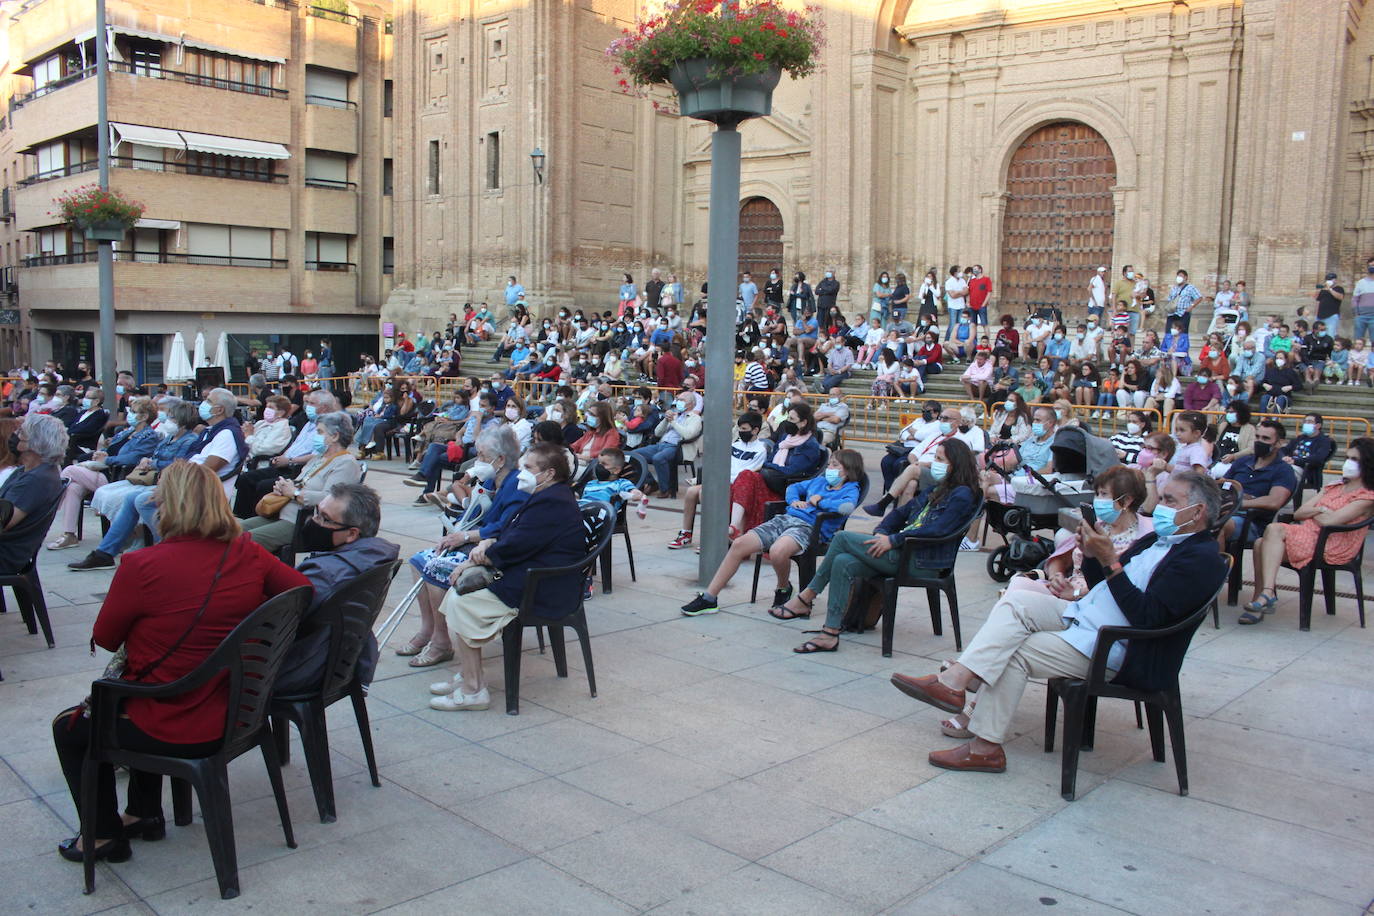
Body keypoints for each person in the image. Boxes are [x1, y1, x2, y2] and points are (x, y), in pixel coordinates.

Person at [50, 462, 310, 862]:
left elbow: (105, 639)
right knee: (145, 690)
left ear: (167, 505)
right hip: (236, 708)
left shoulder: (143, 565)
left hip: (179, 721)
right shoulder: (247, 552)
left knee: (73, 728)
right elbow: (300, 592)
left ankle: (102, 835)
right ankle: (142, 813)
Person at [891, 471, 1227, 774]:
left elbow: (1147, 617)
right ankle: (955, 681)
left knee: (1015, 651)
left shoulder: (1200, 559)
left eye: (1170, 500)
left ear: (1196, 512)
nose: (1161, 505)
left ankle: (985, 748)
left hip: (1119, 644)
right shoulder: (1159, 540)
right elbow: (1104, 584)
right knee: (1017, 601)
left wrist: (1110, 561)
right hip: (1088, 617)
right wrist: (1095, 558)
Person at [771, 439, 979, 652]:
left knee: (842, 538)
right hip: (903, 550)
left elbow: (938, 530)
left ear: (956, 464)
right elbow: (900, 513)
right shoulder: (938, 489)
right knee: (843, 561)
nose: (933, 462)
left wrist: (893, 540)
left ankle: (807, 597)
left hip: (920, 560)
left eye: (939, 459)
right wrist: (882, 532)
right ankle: (830, 632)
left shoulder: (962, 494)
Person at [426, 443, 586, 710]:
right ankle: (469, 674)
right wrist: (487, 544)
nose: (521, 473)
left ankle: (473, 690)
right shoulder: (547, 494)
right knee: (457, 595)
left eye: (529, 468)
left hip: (543, 587)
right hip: (533, 574)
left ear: (548, 473)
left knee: (460, 600)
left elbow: (517, 544)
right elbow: (516, 534)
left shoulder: (552, 501)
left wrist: (479, 556)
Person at [397, 426, 527, 667]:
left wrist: (466, 537)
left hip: (492, 550)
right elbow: (475, 512)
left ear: (500, 459)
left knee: (436, 569)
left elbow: (504, 526)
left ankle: (441, 641)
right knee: (419, 561)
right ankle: (428, 629)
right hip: (477, 541)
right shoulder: (492, 478)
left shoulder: (516, 484)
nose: (478, 460)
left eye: (483, 456)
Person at [681, 449, 865, 617]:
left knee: (778, 551)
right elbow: (794, 488)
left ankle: (783, 588)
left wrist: (820, 502)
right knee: (739, 545)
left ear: (848, 470)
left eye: (835, 465)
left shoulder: (851, 489)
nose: (829, 468)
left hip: (808, 528)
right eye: (829, 463)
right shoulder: (820, 481)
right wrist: (794, 501)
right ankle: (709, 598)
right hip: (785, 520)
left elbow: (847, 507)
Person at [273, 483, 401, 695]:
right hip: (337, 660)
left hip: (303, 667)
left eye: (324, 518)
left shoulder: (327, 574)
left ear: (351, 534)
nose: (313, 521)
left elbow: (277, 618)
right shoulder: (373, 556)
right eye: (316, 512)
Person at [1241, 438, 1374, 624]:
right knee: (1260, 543)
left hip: (1332, 545)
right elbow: (1299, 513)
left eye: (1355, 459)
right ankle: (1264, 596)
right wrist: (1321, 511)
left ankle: (1265, 595)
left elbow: (1331, 522)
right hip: (1308, 536)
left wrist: (1317, 513)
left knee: (1272, 531)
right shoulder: (1334, 487)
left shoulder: (1367, 497)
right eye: (1347, 457)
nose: (1348, 463)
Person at [49, 397, 162, 551]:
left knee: (69, 470)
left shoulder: (149, 436)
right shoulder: (127, 431)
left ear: (144, 416)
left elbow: (134, 458)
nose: (129, 414)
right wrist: (100, 453)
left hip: (116, 475)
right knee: (73, 488)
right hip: (102, 471)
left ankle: (51, 503)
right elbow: (110, 447)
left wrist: (107, 460)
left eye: (134, 412)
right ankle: (69, 535)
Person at [240, 412, 362, 552]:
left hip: (302, 522)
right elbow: (301, 483)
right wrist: (283, 487)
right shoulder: (318, 458)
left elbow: (331, 499)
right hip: (282, 513)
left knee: (244, 541)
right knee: (229, 530)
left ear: (335, 436)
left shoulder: (346, 463)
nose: (316, 436)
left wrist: (294, 493)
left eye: (320, 432)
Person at [668, 412, 768, 550]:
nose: (740, 431)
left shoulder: (761, 449)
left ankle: (710, 537)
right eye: (739, 428)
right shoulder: (735, 444)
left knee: (705, 492)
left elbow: (750, 473)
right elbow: (722, 465)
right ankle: (686, 534)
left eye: (744, 429)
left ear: (755, 430)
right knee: (691, 492)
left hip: (737, 486)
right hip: (723, 482)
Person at [727, 403, 822, 535]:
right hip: (770, 480)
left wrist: (767, 466)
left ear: (803, 423)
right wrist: (768, 465)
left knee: (746, 477)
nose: (787, 422)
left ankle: (734, 529)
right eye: (788, 418)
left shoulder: (810, 446)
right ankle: (735, 528)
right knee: (744, 478)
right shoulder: (786, 438)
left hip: (784, 487)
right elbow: (771, 459)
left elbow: (792, 471)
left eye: (792, 420)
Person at [0, 413, 67, 573]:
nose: (15, 436)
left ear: (34, 442)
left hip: (7, 555)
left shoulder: (36, 480)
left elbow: (4, 522)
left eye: (21, 433)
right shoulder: (29, 471)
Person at [1217, 419, 1296, 547]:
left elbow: (1274, 501)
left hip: (1251, 522)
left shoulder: (1283, 470)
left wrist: (1240, 503)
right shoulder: (1242, 462)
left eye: (1265, 438)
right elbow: (1222, 485)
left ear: (1279, 443)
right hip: (1226, 511)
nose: (1259, 442)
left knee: (1218, 526)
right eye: (1257, 437)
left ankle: (1216, 566)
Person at [634, 394, 703, 498]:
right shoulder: (675, 415)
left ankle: (665, 489)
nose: (678, 402)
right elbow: (657, 433)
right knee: (635, 456)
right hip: (661, 444)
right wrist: (666, 420)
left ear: (690, 404)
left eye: (681, 400)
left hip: (677, 448)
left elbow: (688, 434)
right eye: (678, 399)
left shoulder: (695, 418)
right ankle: (651, 483)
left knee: (658, 458)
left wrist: (673, 422)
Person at [1282, 413, 1336, 492]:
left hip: (1306, 471)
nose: (1306, 424)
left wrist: (1295, 461)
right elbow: (1285, 449)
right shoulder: (1300, 438)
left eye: (1310, 422)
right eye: (1305, 421)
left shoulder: (1324, 441)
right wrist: (1283, 457)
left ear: (1318, 425)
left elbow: (1318, 458)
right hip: (1289, 465)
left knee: (1283, 471)